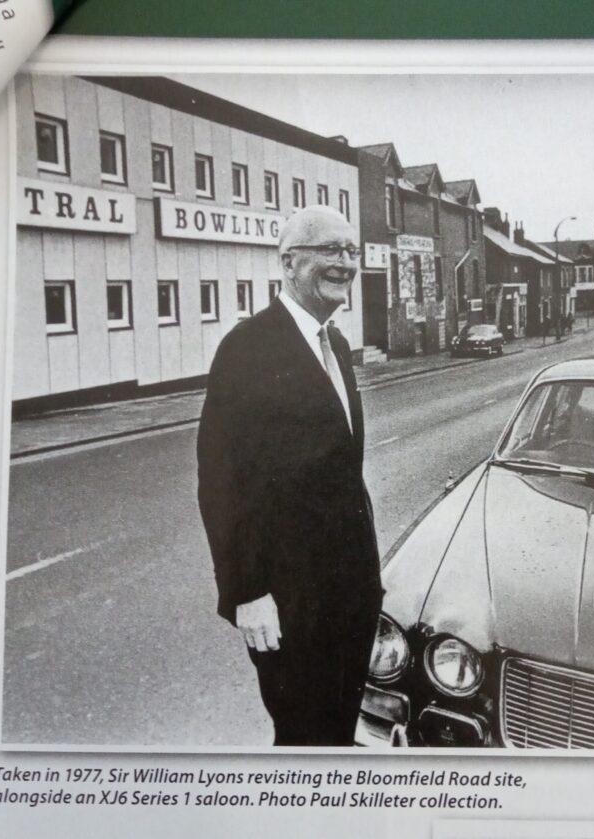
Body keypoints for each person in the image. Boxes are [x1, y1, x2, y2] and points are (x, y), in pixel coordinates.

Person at [197, 205, 382, 746]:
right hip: (290, 603)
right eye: (330, 250)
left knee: (341, 733)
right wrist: (246, 591)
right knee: (304, 740)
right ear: (288, 262)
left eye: (351, 251)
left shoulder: (338, 344)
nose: (345, 263)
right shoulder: (247, 348)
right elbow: (220, 483)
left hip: (351, 593)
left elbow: (342, 470)